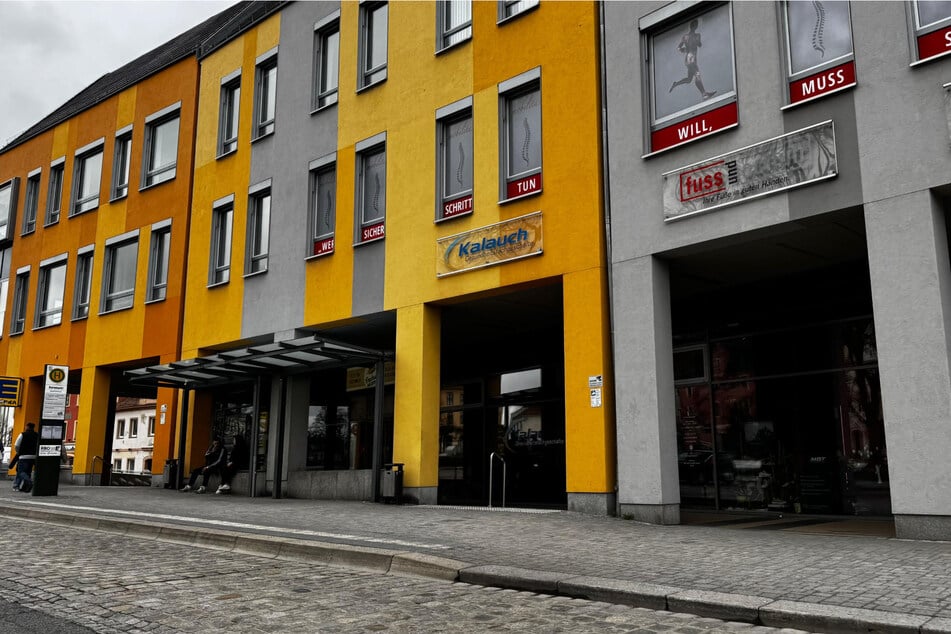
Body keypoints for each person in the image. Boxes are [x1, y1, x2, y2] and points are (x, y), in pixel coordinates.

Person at [669, 18, 717, 100]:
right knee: (697, 75)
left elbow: (678, 47)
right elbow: (699, 44)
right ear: (695, 26)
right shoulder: (697, 35)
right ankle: (704, 94)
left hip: (687, 59)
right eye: (696, 25)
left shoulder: (685, 37)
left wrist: (683, 50)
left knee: (689, 79)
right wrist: (695, 42)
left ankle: (676, 84)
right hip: (692, 58)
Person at [12, 422, 38, 492]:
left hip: (23, 456)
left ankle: (29, 481)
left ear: (27, 427)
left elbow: (17, 445)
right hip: (33, 457)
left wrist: (18, 452)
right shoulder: (37, 435)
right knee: (28, 472)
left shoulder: (23, 434)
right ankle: (25, 487)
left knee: (21, 472)